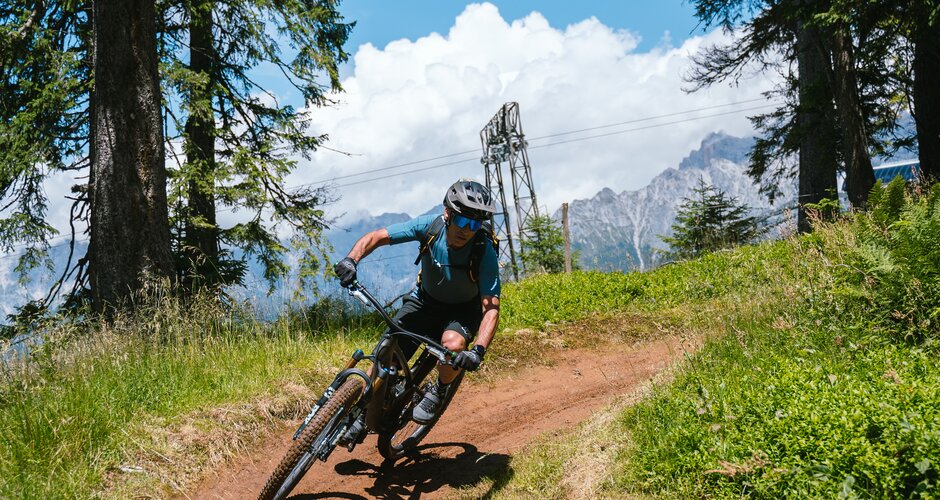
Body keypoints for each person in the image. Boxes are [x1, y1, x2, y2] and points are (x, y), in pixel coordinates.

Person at [333, 179, 501, 425]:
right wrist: (351, 260)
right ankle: (364, 408)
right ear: (448, 213)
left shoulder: (483, 251)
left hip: (463, 310)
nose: (467, 229)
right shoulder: (430, 227)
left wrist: (478, 350)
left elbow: (491, 308)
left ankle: (440, 390)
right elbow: (377, 237)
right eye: (462, 220)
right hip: (425, 302)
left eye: (475, 224)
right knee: (386, 353)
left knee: (453, 345)